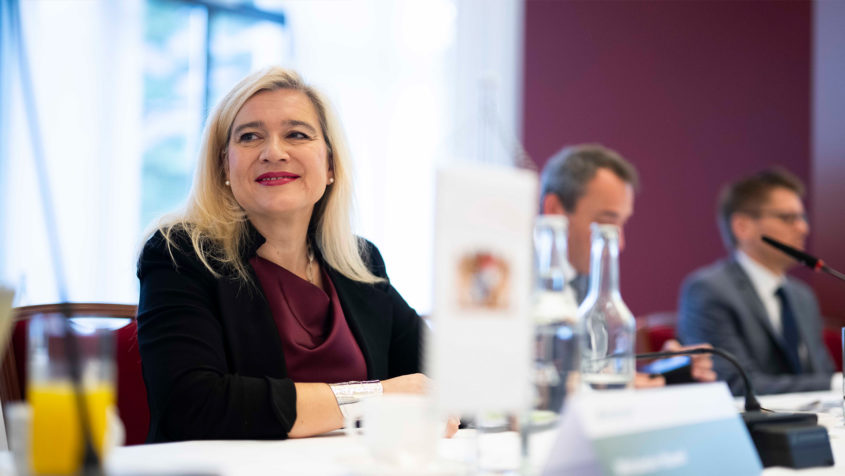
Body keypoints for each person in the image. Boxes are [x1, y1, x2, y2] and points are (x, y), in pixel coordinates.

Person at [136, 67, 457, 442]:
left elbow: (449, 385)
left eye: (297, 134)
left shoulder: (360, 262)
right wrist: (376, 397)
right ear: (225, 165)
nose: (273, 152)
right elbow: (192, 405)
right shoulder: (179, 254)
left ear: (331, 166)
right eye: (250, 136)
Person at [539, 144, 716, 387]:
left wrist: (662, 368)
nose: (619, 244)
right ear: (555, 210)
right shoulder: (509, 279)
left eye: (622, 225)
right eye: (606, 223)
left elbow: (594, 368)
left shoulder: (591, 283)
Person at [677, 168, 837, 395]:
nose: (803, 228)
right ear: (742, 226)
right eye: (787, 218)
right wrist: (836, 384)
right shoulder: (708, 290)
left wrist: (834, 384)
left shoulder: (803, 296)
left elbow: (822, 373)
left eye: (802, 217)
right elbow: (735, 383)